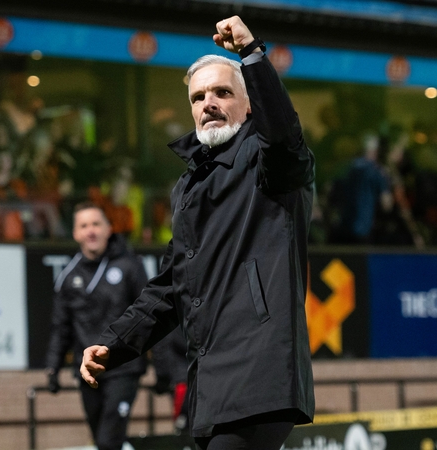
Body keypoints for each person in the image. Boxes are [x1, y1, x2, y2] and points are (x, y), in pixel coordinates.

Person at [80, 16, 316, 450]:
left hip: (260, 376)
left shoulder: (271, 162)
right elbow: (172, 287)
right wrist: (114, 344)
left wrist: (251, 54)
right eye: (198, 96)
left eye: (223, 92)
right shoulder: (188, 187)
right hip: (209, 384)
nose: (208, 102)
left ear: (250, 107)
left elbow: (283, 136)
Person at [44, 202, 148, 450]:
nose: (90, 231)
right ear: (76, 234)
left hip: (124, 367)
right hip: (89, 369)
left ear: (108, 229)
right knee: (102, 440)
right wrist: (52, 368)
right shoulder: (68, 275)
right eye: (83, 225)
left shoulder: (130, 265)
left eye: (96, 224)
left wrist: (167, 369)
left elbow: (150, 315)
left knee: (108, 439)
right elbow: (61, 326)